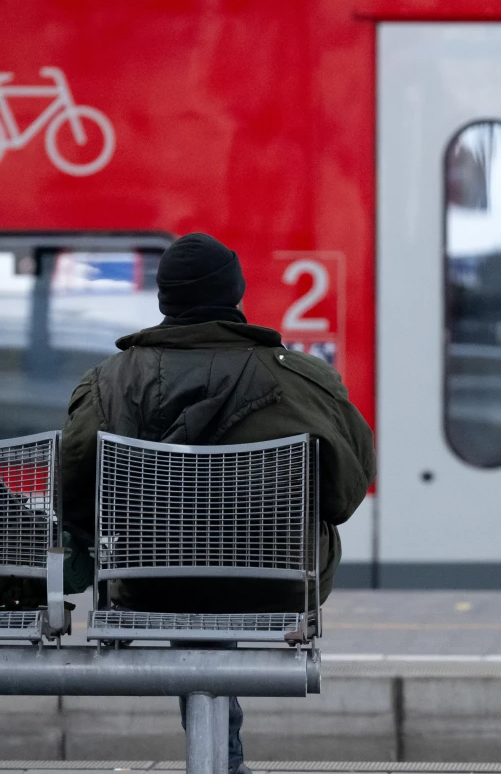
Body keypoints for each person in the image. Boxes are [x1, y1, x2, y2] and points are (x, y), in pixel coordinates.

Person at [61, 232, 375, 774]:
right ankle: (223, 763)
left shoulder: (108, 383)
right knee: (228, 559)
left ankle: (222, 761)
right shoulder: (302, 380)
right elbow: (345, 494)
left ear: (164, 300)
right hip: (275, 579)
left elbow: (73, 499)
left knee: (181, 562)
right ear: (235, 294)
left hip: (148, 581)